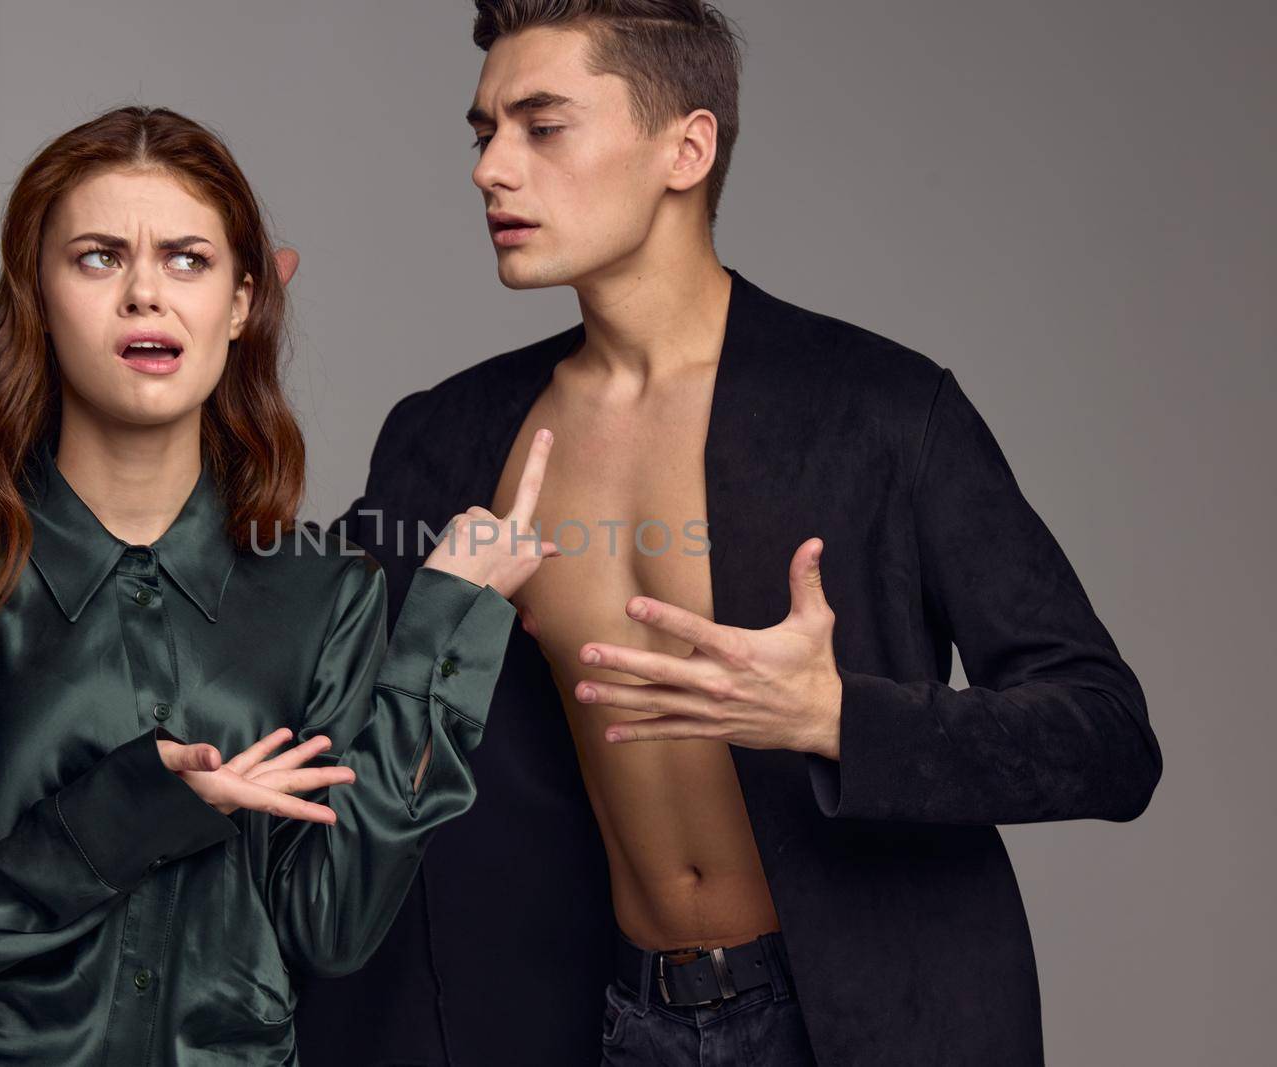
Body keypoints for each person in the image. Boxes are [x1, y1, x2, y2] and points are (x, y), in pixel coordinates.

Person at [293, 3, 1164, 1066]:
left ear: (685, 147)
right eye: (484, 132)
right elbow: (290, 684)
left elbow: (1110, 739)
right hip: (609, 1020)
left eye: (542, 125)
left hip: (866, 1021)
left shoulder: (880, 412)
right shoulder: (453, 436)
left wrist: (837, 714)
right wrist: (218, 366)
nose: (491, 168)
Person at [0, 104, 561, 1066]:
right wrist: (125, 814)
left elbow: (331, 928)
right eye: (96, 257)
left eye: (186, 260)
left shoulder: (327, 595)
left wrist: (446, 633)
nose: (144, 295)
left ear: (243, 303)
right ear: (38, 296)